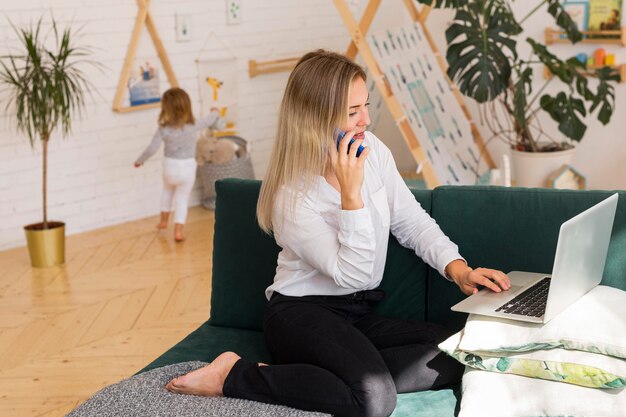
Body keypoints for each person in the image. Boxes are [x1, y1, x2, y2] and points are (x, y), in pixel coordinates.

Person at [164, 50, 510, 417]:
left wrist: (459, 269)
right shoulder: (293, 196)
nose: (367, 119)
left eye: (366, 105)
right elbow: (354, 273)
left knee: (461, 351)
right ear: (317, 117)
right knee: (373, 399)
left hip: (357, 314)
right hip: (300, 314)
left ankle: (329, 376)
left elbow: (410, 220)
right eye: (352, 112)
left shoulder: (372, 150)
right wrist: (351, 195)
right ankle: (233, 375)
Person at [134, 87, 225, 242]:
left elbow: (152, 148)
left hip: (170, 167)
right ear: (187, 106)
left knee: (167, 192)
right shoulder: (194, 124)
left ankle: (163, 221)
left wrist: (139, 161)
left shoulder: (163, 129)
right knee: (182, 199)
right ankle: (178, 232)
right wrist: (216, 111)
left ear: (166, 108)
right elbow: (211, 118)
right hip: (187, 168)